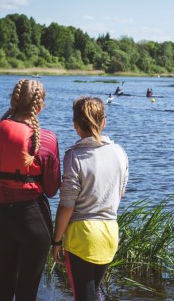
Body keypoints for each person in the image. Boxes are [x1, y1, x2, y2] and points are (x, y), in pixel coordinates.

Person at [0, 79, 61, 301]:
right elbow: (52, 189)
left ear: (13, 100)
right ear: (40, 106)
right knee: (27, 294)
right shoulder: (46, 138)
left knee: (2, 292)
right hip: (33, 220)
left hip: (1, 220)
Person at [52, 96, 129, 301]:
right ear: (104, 122)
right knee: (94, 292)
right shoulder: (119, 153)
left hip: (82, 237)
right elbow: (119, 194)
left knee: (85, 297)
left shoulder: (74, 156)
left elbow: (67, 204)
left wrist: (56, 240)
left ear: (76, 125)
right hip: (110, 233)